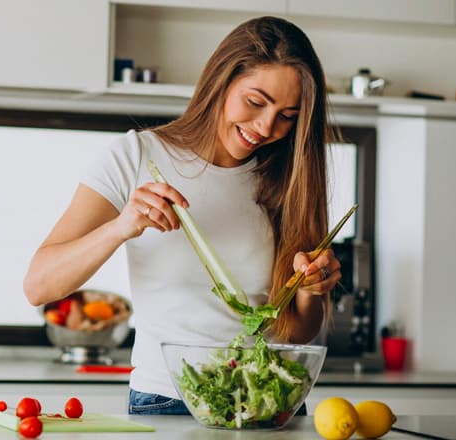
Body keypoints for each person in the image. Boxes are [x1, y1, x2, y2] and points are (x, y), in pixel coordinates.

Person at [24, 16, 341, 415]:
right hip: (169, 399)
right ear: (220, 82)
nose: (265, 127)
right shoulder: (136, 157)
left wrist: (312, 290)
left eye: (287, 116)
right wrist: (121, 227)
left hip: (271, 401)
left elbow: (295, 330)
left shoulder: (289, 179)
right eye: (255, 102)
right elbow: (39, 285)